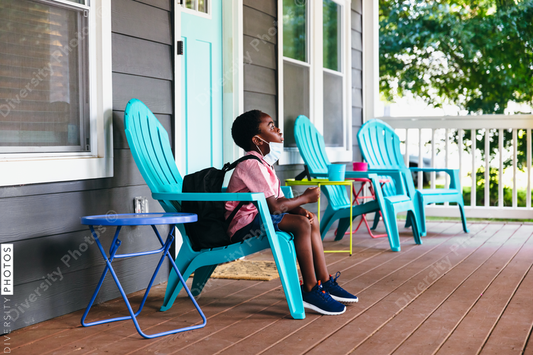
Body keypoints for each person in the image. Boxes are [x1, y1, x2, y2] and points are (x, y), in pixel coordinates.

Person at [224, 110, 358, 316]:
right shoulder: (251, 164)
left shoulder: (264, 164)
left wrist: (299, 208)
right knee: (301, 224)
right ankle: (310, 289)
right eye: (271, 127)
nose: (278, 130)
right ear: (257, 140)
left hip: (260, 218)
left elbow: (278, 201)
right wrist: (304, 197)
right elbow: (276, 207)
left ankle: (323, 280)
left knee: (309, 220)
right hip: (244, 226)